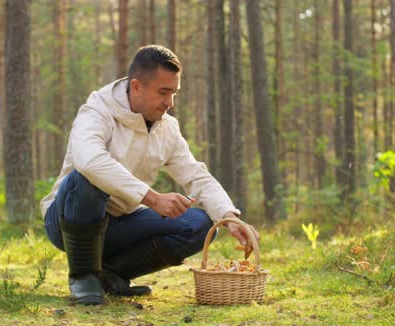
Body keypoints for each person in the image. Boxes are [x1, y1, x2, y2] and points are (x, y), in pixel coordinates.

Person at [41, 45, 260, 305]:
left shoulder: (167, 128)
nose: (170, 102)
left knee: (201, 225)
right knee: (85, 179)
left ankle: (113, 274)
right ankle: (83, 276)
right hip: (68, 218)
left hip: (122, 222)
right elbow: (89, 160)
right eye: (163, 92)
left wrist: (228, 216)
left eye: (174, 93)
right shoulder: (97, 111)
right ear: (136, 86)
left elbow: (196, 176)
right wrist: (153, 199)